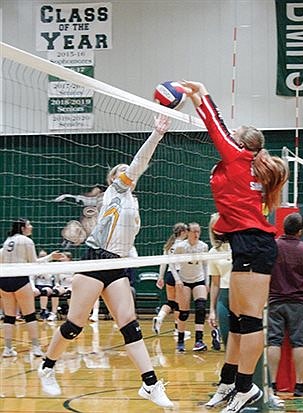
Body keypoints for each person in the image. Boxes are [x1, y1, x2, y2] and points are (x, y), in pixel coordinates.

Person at [38, 114, 174, 408]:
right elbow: (139, 163)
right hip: (95, 261)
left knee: (130, 326)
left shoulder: (132, 203)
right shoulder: (116, 190)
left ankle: (150, 384)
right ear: (114, 179)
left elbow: (127, 241)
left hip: (117, 265)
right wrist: (157, 133)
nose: (128, 172)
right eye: (122, 171)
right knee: (74, 325)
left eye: (128, 172)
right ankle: (47, 367)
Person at [182, 81, 288, 412]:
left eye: (236, 134)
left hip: (255, 244)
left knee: (252, 319)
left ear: (241, 143)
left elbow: (216, 127)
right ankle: (229, 382)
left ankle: (247, 388)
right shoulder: (242, 163)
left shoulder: (239, 158)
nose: (231, 135)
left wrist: (201, 96)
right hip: (244, 243)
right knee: (240, 319)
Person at [0, 218, 65, 357]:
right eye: (29, 224)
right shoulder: (26, 241)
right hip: (19, 279)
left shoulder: (6, 242)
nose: (32, 226)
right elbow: (34, 264)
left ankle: (8, 349)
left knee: (9, 317)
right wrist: (50, 257)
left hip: (4, 281)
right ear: (23, 228)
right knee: (30, 315)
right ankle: (36, 348)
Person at [267, 212, 303, 397]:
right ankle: (299, 385)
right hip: (298, 302)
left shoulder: (272, 247)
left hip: (275, 301)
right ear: (300, 231)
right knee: (298, 343)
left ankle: (273, 385)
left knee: (273, 341)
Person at [170, 222, 209, 352]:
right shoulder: (180, 247)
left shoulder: (203, 246)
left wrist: (207, 282)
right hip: (184, 281)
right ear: (188, 233)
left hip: (199, 279)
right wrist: (177, 280)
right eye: (194, 232)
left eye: (198, 232)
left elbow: (205, 265)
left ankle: (199, 340)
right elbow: (171, 263)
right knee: (184, 313)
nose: (197, 234)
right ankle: (180, 341)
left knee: (201, 308)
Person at [152, 222, 189, 336]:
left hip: (169, 274)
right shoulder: (184, 245)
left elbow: (164, 263)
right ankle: (178, 329)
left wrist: (160, 277)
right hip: (179, 274)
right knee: (179, 304)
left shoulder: (169, 245)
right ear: (182, 232)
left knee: (171, 302)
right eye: (186, 231)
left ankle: (159, 318)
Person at [208, 213, 232, 350]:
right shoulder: (213, 252)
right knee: (227, 339)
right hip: (224, 297)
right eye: (214, 227)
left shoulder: (239, 246)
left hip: (240, 294)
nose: (217, 230)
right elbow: (215, 283)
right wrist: (212, 310)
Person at [32, 250, 58, 321]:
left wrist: (43, 273)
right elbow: (31, 278)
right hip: (37, 286)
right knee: (28, 293)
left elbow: (53, 278)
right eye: (41, 256)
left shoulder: (51, 266)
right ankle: (29, 313)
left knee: (44, 291)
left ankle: (43, 311)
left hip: (47, 285)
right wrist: (33, 288)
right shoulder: (35, 266)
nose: (43, 258)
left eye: (44, 256)